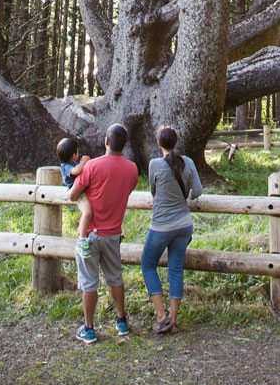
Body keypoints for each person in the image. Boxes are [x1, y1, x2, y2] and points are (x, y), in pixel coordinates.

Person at [69, 123, 139, 345]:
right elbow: (125, 191)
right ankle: (121, 321)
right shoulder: (132, 169)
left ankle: (89, 328)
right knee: (115, 277)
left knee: (89, 282)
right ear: (124, 144)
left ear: (106, 141)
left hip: (89, 234)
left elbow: (73, 195)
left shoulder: (92, 166)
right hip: (113, 234)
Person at [141, 125, 203, 335]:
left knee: (148, 264)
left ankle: (161, 317)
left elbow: (153, 191)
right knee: (175, 270)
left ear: (159, 143)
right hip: (184, 225)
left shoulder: (155, 164)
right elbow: (198, 191)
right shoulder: (189, 162)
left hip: (161, 225)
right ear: (176, 141)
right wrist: (188, 197)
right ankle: (173, 320)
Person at [56, 136, 96, 257]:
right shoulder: (66, 166)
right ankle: (82, 240)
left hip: (83, 191)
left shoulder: (71, 163)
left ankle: (91, 232)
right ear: (73, 155)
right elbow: (76, 171)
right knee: (88, 212)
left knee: (93, 210)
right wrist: (84, 162)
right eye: (77, 152)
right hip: (78, 194)